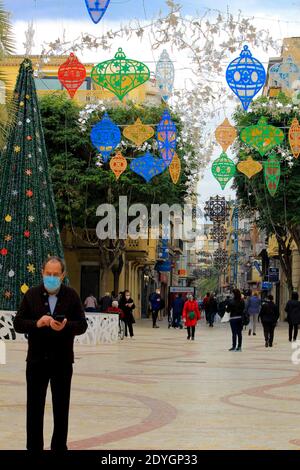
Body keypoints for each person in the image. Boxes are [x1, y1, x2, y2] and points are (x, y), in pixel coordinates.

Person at [13, 256, 88, 452]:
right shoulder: (31, 295)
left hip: (62, 362)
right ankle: (34, 447)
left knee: (61, 408)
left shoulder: (71, 296)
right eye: (48, 274)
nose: (52, 277)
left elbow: (82, 325)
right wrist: (37, 323)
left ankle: (59, 447)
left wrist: (65, 326)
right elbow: (18, 323)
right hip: (36, 361)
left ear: (62, 275)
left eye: (56, 274)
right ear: (42, 273)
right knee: (34, 409)